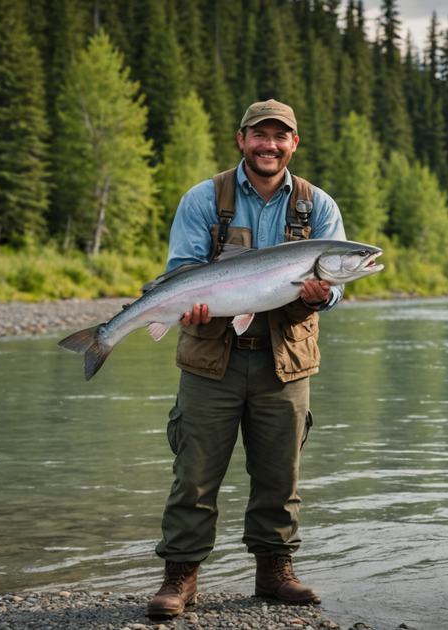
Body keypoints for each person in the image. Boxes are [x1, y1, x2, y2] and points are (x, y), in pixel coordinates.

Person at [145, 99, 346, 617]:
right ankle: (180, 578)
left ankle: (274, 573)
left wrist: (324, 294)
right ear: (242, 139)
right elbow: (182, 267)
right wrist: (186, 309)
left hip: (286, 362)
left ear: (294, 144)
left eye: (281, 136)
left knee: (281, 476)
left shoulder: (317, 207)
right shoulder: (203, 199)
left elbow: (338, 288)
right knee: (194, 473)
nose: (269, 145)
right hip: (212, 357)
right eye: (260, 135)